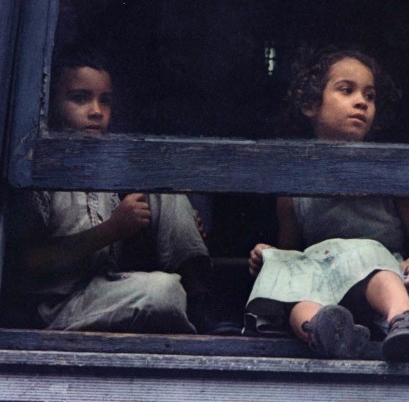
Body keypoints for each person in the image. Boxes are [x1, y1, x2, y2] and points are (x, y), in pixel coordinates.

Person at [5, 44, 236, 335]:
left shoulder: (109, 165)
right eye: (80, 99)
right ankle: (189, 304)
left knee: (163, 189)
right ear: (51, 102)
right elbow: (26, 262)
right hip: (54, 306)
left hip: (106, 289)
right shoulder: (38, 168)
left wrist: (182, 224)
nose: (96, 112)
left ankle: (202, 300)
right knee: (162, 293)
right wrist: (113, 229)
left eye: (106, 101)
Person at [245, 47, 409, 362]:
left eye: (370, 95)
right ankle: (320, 329)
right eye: (346, 90)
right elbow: (291, 250)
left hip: (376, 279)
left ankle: (404, 321)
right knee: (293, 285)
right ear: (311, 104)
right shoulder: (294, 181)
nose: (361, 101)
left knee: (371, 260)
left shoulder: (389, 169)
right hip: (322, 278)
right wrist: (270, 256)